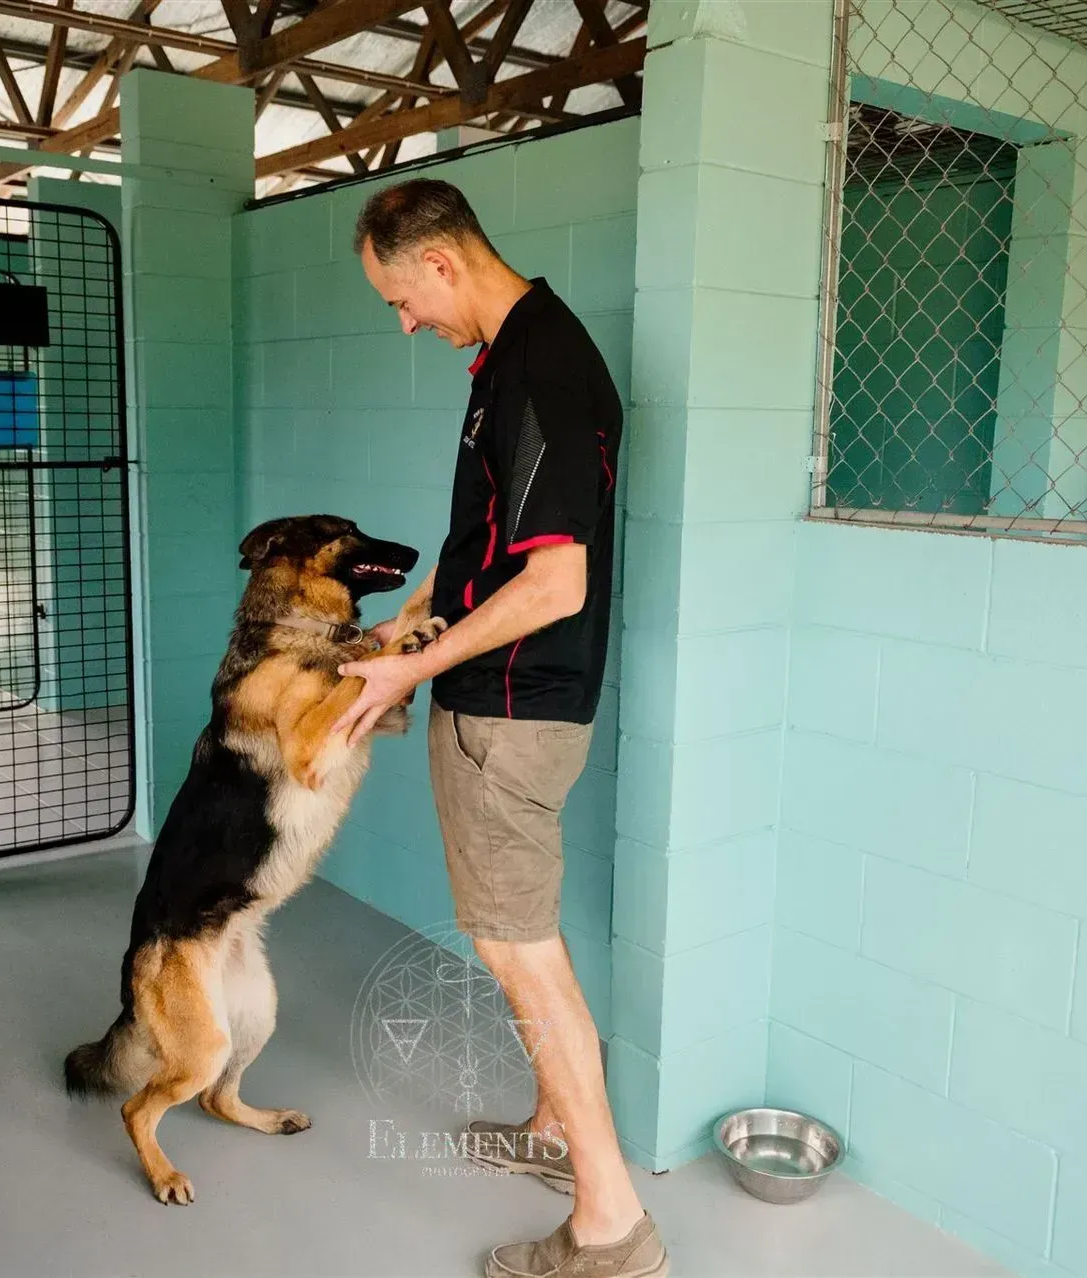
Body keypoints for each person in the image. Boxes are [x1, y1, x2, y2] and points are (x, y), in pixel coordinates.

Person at [334, 179, 668, 1278]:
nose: (404, 324)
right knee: (525, 934)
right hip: (506, 704)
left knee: (519, 954)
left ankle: (611, 1226)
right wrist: (406, 624)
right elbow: (488, 544)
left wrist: (415, 671)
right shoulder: (515, 358)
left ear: (438, 262)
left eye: (400, 298)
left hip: (509, 713)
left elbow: (556, 584)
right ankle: (550, 1130)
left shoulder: (541, 366)